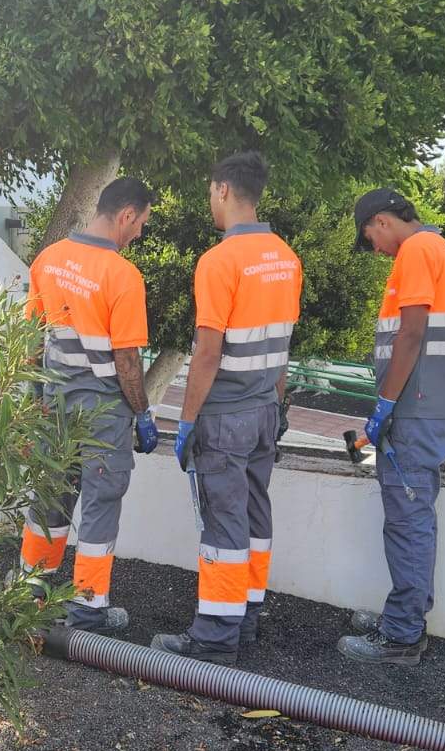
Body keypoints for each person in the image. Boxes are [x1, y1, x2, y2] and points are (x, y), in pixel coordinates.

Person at [151, 152, 301, 663]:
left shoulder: (219, 261)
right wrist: (276, 409)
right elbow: (281, 343)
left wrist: (187, 421)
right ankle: (247, 615)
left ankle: (215, 636)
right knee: (256, 512)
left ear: (221, 190)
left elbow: (208, 350)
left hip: (226, 414)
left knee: (224, 521)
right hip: (263, 410)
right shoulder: (285, 256)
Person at [337, 187, 445, 666]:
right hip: (424, 406)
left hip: (417, 407)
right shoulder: (436, 249)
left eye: (368, 234)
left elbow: (412, 332)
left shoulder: (418, 250)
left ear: (381, 219)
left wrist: (384, 406)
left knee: (409, 518)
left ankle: (402, 636)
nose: (373, 246)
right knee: (408, 515)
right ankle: (402, 618)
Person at [20, 178, 158, 630]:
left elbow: (31, 343)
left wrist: (31, 404)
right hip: (101, 413)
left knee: (49, 499)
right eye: (141, 224)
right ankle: (86, 608)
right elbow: (127, 360)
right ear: (127, 215)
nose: (138, 234)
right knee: (101, 502)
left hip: (54, 405)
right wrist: (142, 413)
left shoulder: (49, 260)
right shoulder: (122, 276)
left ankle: (29, 594)